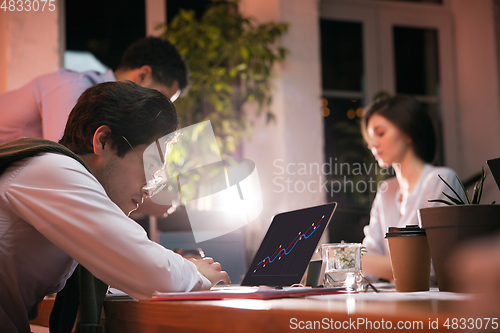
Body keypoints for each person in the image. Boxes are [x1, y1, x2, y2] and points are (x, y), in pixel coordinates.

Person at [0, 81, 230, 332]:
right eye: (150, 166)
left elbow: (126, 259)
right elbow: (151, 273)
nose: (148, 188)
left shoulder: (50, 173)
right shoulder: (52, 171)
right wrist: (197, 273)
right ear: (104, 140)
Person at [0, 37, 188, 144]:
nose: (157, 110)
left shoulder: (102, 107)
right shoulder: (73, 88)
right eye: (159, 97)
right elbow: (67, 169)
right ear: (143, 75)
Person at [360, 95, 462, 280]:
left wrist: (344, 257)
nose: (372, 144)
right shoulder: (386, 190)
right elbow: (369, 259)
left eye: (380, 133)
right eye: (370, 137)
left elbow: (432, 265)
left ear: (408, 132)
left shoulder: (440, 180)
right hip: (395, 299)